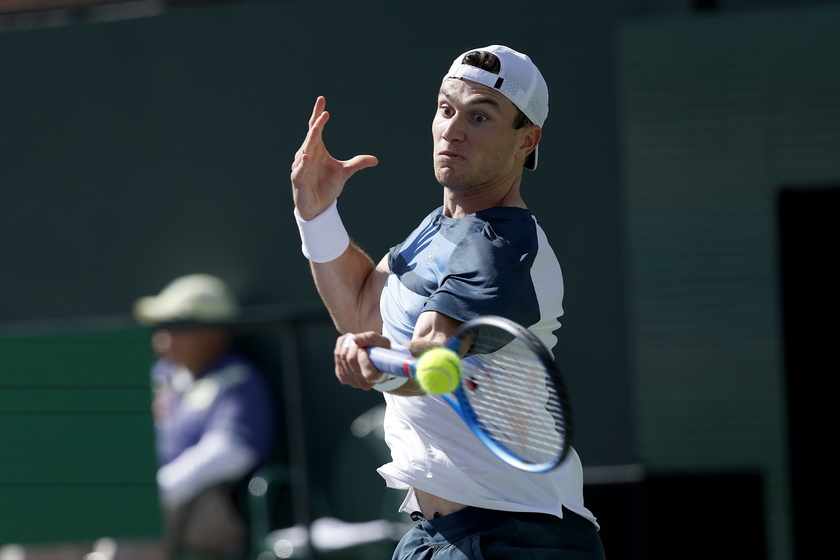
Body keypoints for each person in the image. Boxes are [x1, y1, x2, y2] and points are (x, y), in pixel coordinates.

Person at [290, 45, 605, 559]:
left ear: (527, 141)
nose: (452, 130)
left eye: (480, 116)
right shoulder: (439, 230)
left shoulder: (498, 247)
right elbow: (365, 311)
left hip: (514, 540)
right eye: (446, 108)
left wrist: (377, 368)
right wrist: (316, 214)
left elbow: (431, 363)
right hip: (442, 534)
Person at [133, 273, 277, 559]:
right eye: (163, 327)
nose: (165, 339)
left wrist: (157, 491)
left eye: (178, 328)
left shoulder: (237, 379)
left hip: (206, 507)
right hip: (140, 501)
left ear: (214, 333)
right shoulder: (160, 376)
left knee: (128, 538)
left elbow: (232, 451)